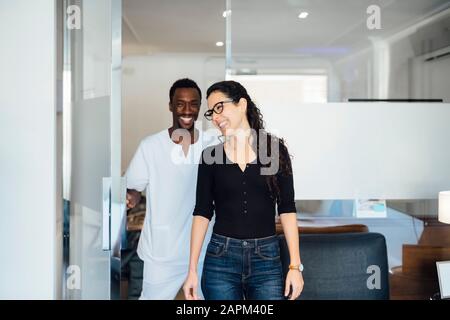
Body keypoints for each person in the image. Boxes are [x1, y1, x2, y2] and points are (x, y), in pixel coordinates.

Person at [183, 80, 304, 300]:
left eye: (220, 107)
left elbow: (287, 208)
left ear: (242, 104)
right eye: (211, 112)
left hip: (266, 259)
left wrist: (295, 267)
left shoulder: (275, 151)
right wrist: (191, 270)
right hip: (221, 259)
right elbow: (202, 212)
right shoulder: (210, 157)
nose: (216, 117)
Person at [125, 78, 217, 299]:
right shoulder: (151, 146)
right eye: (180, 103)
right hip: (161, 252)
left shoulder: (213, 145)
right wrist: (131, 197)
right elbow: (133, 188)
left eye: (193, 103)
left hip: (203, 250)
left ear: (200, 107)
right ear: (170, 105)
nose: (187, 110)